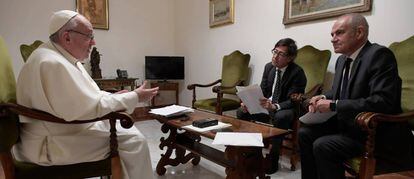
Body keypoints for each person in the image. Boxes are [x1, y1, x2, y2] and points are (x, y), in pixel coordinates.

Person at [13, 10, 159, 179]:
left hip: (59, 131)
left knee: (127, 133)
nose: (93, 42)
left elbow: (86, 96)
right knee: (135, 142)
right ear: (67, 37)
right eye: (89, 36)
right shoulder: (51, 63)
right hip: (50, 144)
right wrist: (135, 96)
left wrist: (115, 96)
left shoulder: (62, 57)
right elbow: (86, 108)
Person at [299, 13, 414, 179]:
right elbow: (339, 92)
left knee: (323, 145)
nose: (333, 39)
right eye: (332, 34)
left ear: (359, 33)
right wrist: (323, 97)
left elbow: (383, 101)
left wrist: (334, 105)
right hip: (349, 126)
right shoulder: (342, 61)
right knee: (305, 133)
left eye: (339, 33)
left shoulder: (379, 55)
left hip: (374, 132)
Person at [237, 38, 307, 174]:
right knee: (241, 112)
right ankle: (250, 151)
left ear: (290, 58)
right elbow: (262, 91)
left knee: (281, 116)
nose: (275, 56)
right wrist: (249, 102)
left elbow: (293, 100)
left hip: (286, 108)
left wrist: (275, 106)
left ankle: (273, 158)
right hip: (267, 105)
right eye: (275, 51)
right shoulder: (269, 67)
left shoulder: (297, 72)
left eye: (281, 54)